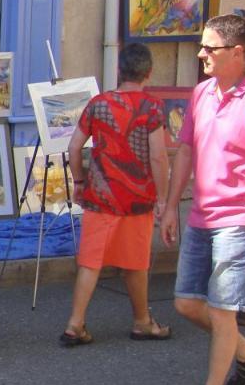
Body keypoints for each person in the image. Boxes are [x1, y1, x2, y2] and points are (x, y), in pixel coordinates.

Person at [160, 14, 245, 385]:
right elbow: (185, 151)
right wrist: (169, 207)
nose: (201, 54)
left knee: (222, 311)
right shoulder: (200, 93)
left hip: (241, 219)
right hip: (201, 215)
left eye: (209, 48)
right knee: (186, 304)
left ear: (237, 52)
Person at [61, 43, 171, 346]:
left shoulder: (98, 104)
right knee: (136, 262)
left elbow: (73, 147)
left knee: (91, 261)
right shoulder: (151, 107)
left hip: (101, 194)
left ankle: (75, 323)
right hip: (137, 197)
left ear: (119, 70)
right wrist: (163, 199)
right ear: (148, 72)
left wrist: (80, 181)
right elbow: (158, 156)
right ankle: (142, 321)